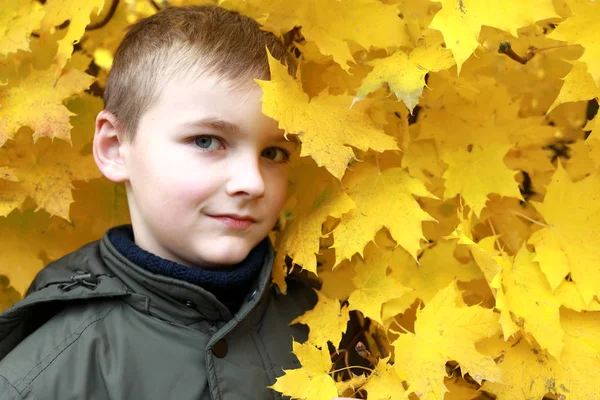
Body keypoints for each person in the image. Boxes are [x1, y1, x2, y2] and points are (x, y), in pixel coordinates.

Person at [0, 5, 318, 399]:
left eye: (273, 153)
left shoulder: (326, 315)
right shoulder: (46, 373)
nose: (252, 183)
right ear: (115, 148)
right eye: (206, 141)